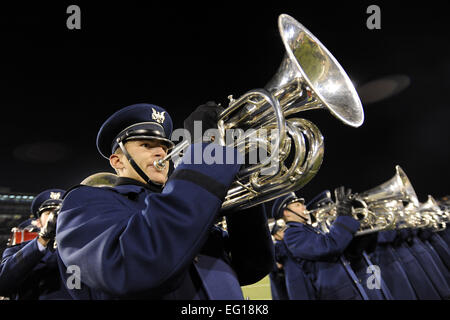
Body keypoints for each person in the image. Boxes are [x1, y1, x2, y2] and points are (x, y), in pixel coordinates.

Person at [55, 102, 274, 299]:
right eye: (146, 145)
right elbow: (132, 265)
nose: (161, 152)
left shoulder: (182, 199)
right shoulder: (84, 201)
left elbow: (252, 266)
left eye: (165, 147)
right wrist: (205, 155)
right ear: (117, 161)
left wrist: (241, 181)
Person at [271, 189, 366, 300]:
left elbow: (346, 250)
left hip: (348, 287)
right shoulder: (292, 235)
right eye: (297, 205)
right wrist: (344, 216)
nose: (304, 207)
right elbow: (329, 247)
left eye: (302, 204)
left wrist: (357, 218)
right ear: (286, 213)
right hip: (335, 293)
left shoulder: (309, 230)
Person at [0, 189, 72, 300]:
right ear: (38, 222)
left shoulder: (78, 248)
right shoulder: (19, 249)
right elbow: (3, 283)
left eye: (59, 212)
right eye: (49, 213)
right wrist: (43, 238)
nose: (55, 218)